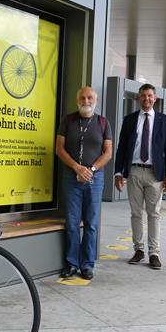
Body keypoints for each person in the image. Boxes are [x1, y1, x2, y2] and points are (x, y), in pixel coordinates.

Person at [114, 83, 166, 270]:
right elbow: (122, 147)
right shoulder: (130, 120)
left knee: (154, 214)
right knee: (136, 213)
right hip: (134, 171)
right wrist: (118, 172)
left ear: (155, 98)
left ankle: (154, 253)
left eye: (150, 96)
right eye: (143, 96)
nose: (146, 99)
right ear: (138, 98)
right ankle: (139, 250)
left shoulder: (164, 120)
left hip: (155, 174)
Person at [55, 87, 113, 280]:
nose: (86, 100)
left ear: (95, 100)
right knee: (72, 223)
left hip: (95, 180)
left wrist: (91, 170)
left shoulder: (103, 122)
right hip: (71, 179)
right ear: (77, 99)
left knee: (91, 224)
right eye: (82, 97)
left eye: (89, 97)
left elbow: (108, 152)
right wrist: (77, 168)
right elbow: (59, 149)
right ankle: (71, 264)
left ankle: (87, 265)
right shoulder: (68, 121)